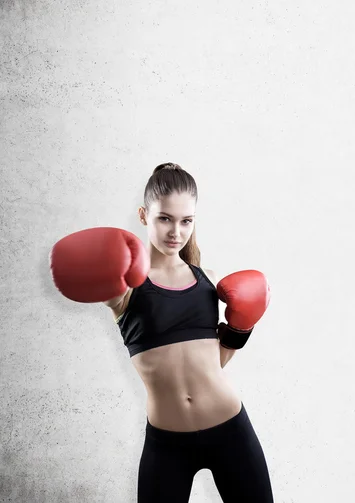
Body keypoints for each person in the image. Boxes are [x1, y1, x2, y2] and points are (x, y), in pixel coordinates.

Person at [49, 163, 274, 503]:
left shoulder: (209, 281)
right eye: (164, 218)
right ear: (143, 215)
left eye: (186, 221)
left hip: (231, 429)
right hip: (168, 443)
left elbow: (215, 364)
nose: (176, 232)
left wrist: (242, 328)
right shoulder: (125, 288)